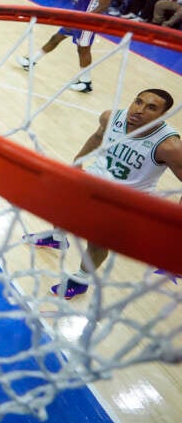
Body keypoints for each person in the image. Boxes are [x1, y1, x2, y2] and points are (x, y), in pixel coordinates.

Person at [25, 89, 182, 299]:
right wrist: (78, 160)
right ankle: (56, 238)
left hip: (123, 201)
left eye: (151, 108)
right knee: (59, 208)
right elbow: (98, 136)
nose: (139, 110)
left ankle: (81, 280)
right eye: (138, 102)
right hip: (92, 181)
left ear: (162, 116)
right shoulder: (111, 117)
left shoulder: (169, 146)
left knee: (97, 242)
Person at [17, 0, 114, 93]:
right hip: (76, 18)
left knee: (83, 50)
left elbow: (104, 5)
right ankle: (31, 62)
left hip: (87, 23)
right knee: (56, 38)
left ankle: (86, 82)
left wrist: (87, 18)